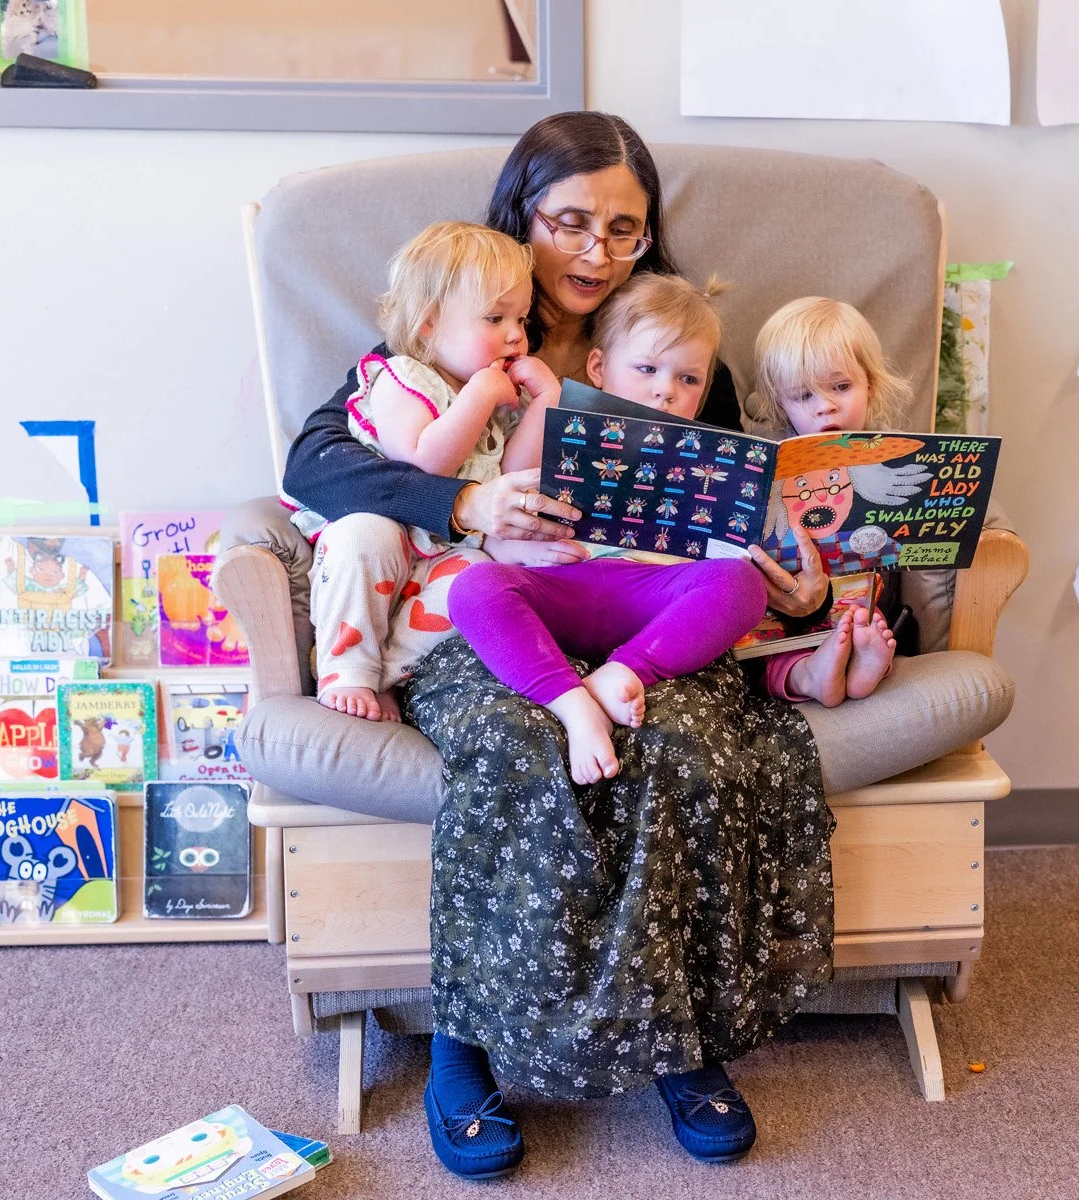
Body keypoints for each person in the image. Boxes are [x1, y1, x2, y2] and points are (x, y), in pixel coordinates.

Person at [278, 112, 837, 1179]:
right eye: (571, 222)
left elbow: (736, 508)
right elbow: (315, 466)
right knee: (513, 744)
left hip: (642, 620)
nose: (595, 251)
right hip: (490, 612)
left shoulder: (673, 343)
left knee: (682, 744)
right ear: (521, 214)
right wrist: (468, 501)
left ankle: (682, 1042)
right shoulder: (461, 330)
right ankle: (465, 1043)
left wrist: (799, 594)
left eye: (625, 230)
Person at [447, 273, 769, 785]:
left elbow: (727, 559)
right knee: (473, 588)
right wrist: (508, 545)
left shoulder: (712, 458)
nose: (666, 390)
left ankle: (623, 673)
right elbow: (506, 502)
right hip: (561, 587)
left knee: (742, 584)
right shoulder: (557, 422)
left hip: (651, 600)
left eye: (689, 380)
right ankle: (573, 704)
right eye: (647, 368)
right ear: (597, 367)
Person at [283, 221, 569, 723]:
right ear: (428, 323)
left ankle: (386, 674)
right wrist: (480, 396)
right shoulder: (402, 377)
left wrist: (547, 400)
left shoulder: (491, 396)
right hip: (386, 534)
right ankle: (346, 669)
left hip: (445, 552)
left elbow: (511, 474)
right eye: (495, 318)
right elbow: (423, 463)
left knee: (480, 579)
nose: (516, 335)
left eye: (521, 319)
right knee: (363, 534)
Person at [744, 297, 919, 708]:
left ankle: (861, 663)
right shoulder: (769, 463)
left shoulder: (889, 454)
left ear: (870, 384)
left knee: (869, 625)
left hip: (860, 599)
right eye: (804, 395)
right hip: (781, 617)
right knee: (765, 649)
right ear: (781, 404)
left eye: (841, 387)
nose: (826, 406)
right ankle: (811, 675)